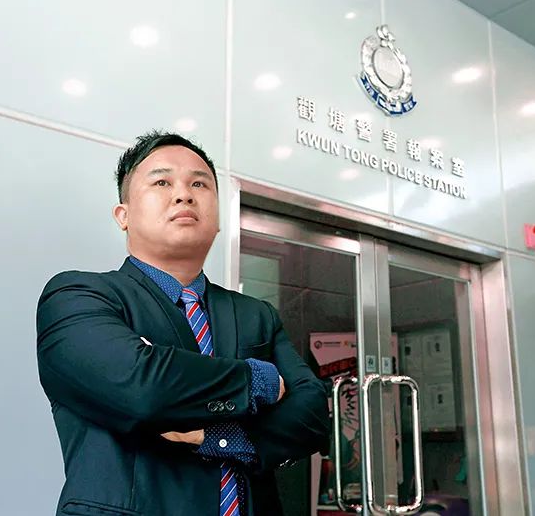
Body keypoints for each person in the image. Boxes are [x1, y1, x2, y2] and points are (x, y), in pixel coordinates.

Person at [36, 131, 330, 516]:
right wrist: (259, 380)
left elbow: (312, 414)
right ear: (123, 215)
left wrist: (221, 436)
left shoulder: (256, 314)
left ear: (218, 219)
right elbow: (143, 387)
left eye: (199, 184)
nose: (184, 195)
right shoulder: (78, 296)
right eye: (162, 182)